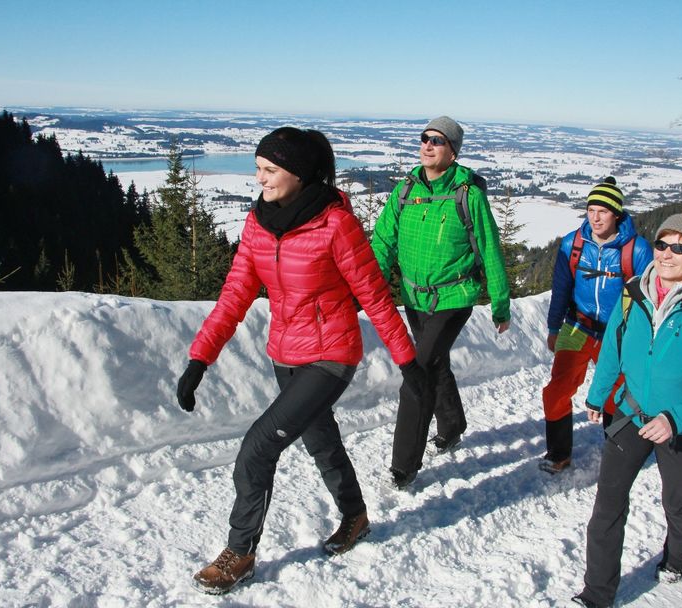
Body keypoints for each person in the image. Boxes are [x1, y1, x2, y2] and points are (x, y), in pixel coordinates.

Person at [177, 127, 424, 595]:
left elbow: (373, 295)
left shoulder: (335, 224)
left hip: (330, 355)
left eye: (270, 170)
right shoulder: (258, 223)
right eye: (257, 170)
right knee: (321, 439)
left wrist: (408, 363)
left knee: (256, 450)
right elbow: (235, 295)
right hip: (285, 354)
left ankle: (240, 553)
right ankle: (355, 516)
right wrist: (199, 359)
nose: (260, 180)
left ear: (299, 173)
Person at [572, 214, 682, 608]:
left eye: (679, 248)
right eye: (662, 244)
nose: (665, 254)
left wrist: (675, 419)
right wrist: (598, 394)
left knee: (677, 499)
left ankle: (678, 558)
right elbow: (613, 347)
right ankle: (597, 595)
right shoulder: (634, 293)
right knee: (608, 504)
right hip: (631, 413)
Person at [370, 116, 511, 489]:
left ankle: (404, 464)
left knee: (417, 370)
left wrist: (500, 303)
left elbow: (489, 249)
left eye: (438, 141)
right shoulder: (405, 191)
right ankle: (452, 425)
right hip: (415, 297)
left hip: (454, 296)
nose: (428, 145)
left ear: (453, 152)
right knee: (435, 364)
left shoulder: (469, 195)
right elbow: (382, 243)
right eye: (425, 138)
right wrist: (369, 288)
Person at [540, 177, 653, 474]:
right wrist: (553, 328)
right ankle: (558, 453)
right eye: (591, 209)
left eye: (603, 210)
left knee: (616, 395)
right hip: (577, 327)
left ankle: (617, 452)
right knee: (556, 391)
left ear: (616, 214)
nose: (595, 216)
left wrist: (644, 339)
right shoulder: (573, 244)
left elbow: (647, 301)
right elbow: (561, 289)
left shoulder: (637, 251)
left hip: (618, 334)